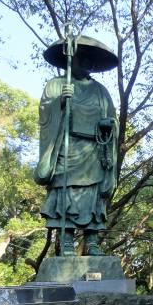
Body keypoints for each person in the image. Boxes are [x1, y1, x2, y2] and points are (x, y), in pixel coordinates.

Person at [34, 36, 119, 256]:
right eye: (84, 59)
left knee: (93, 196)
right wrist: (59, 102)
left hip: (93, 150)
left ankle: (92, 243)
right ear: (73, 60)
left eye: (91, 60)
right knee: (66, 193)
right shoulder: (57, 85)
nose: (88, 64)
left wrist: (108, 125)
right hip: (67, 148)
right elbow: (45, 113)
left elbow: (112, 118)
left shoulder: (101, 91)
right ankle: (67, 242)